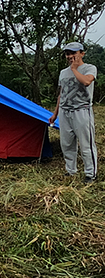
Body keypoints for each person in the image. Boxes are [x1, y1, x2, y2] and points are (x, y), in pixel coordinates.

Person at [48, 42, 97, 184]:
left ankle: (90, 173)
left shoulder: (89, 68)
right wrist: (55, 113)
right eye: (67, 54)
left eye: (73, 53)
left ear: (82, 53)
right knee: (67, 144)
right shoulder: (63, 72)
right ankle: (71, 171)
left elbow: (87, 81)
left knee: (86, 144)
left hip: (82, 110)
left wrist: (75, 69)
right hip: (65, 112)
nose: (70, 56)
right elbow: (61, 94)